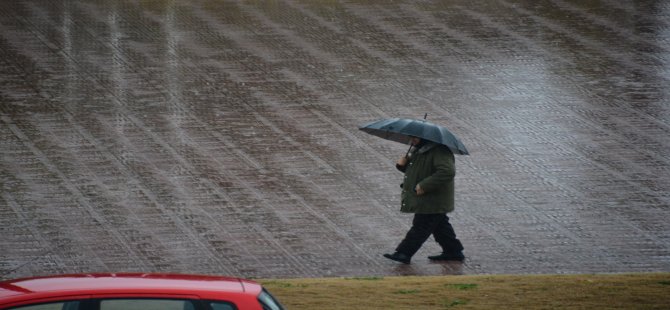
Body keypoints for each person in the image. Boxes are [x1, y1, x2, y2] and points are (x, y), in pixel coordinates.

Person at [383, 136, 465, 264]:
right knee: (440, 225)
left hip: (433, 198)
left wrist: (425, 185)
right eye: (411, 137)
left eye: (415, 137)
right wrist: (402, 165)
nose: (412, 140)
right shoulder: (419, 150)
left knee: (421, 226)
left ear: (425, 137)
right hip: (427, 197)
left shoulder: (439, 151)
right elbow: (417, 170)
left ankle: (403, 253)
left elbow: (447, 171)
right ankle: (453, 251)